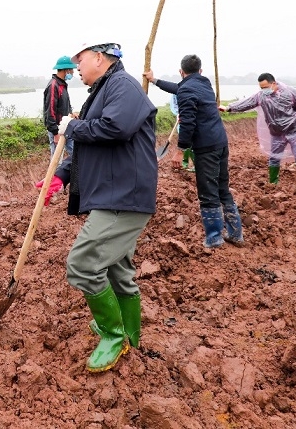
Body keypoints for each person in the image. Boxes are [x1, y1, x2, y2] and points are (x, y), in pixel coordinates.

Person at [49, 41, 156, 373]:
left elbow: (115, 129)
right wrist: (63, 175)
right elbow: (93, 145)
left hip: (124, 196)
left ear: (99, 57)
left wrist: (73, 127)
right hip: (114, 192)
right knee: (116, 268)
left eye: (79, 60)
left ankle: (113, 336)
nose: (76, 65)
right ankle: (130, 332)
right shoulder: (104, 89)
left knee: (82, 264)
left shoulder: (122, 86)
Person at [144, 55, 244, 251]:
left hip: (206, 147)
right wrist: (154, 81)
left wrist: (180, 151)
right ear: (200, 71)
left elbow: (188, 123)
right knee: (222, 188)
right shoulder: (203, 84)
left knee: (208, 193)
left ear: (181, 72)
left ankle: (214, 238)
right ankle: (235, 233)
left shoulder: (187, 89)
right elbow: (178, 88)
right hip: (220, 143)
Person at [218, 73, 296, 197]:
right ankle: (273, 184)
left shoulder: (290, 93)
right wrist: (228, 108)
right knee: (274, 158)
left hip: (294, 131)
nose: (264, 90)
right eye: (261, 88)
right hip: (277, 133)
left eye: (266, 87)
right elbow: (247, 103)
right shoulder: (261, 96)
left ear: (273, 83)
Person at [42, 55, 77, 158]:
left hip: (66, 125)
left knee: (75, 153)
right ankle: (55, 174)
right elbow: (50, 111)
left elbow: (65, 104)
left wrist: (71, 113)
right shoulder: (54, 86)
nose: (73, 73)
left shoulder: (62, 84)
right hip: (57, 128)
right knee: (57, 158)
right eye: (71, 70)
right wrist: (55, 132)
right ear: (66, 70)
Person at [169, 93, 195, 172]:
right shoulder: (175, 92)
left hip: (191, 120)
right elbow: (174, 105)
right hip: (182, 121)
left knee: (192, 142)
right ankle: (184, 163)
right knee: (184, 141)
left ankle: (195, 163)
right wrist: (179, 113)